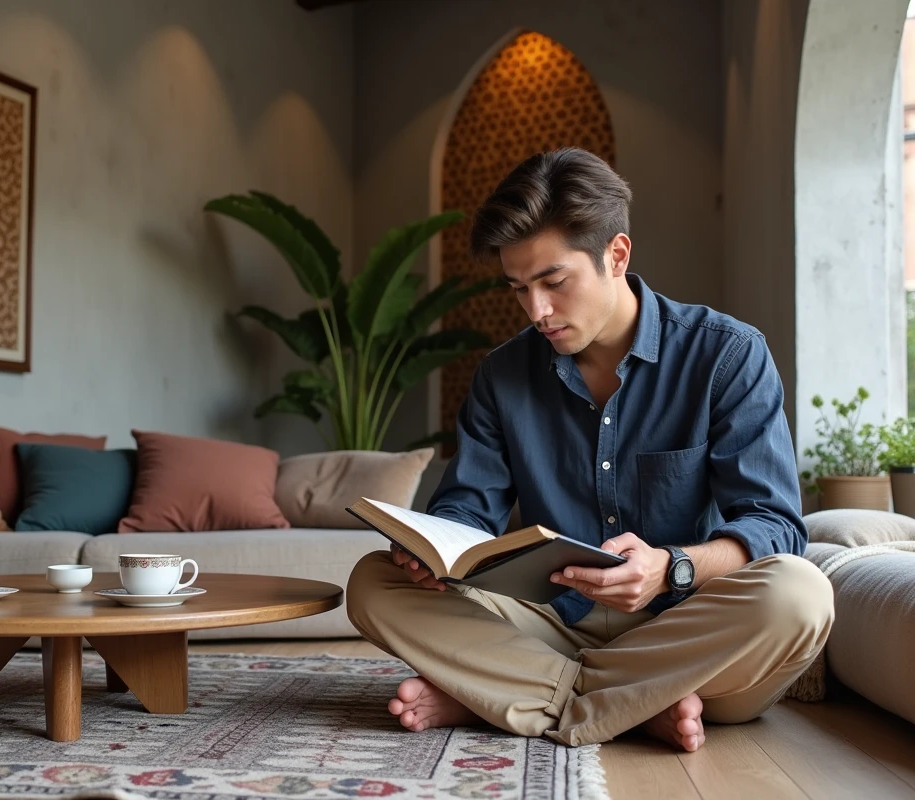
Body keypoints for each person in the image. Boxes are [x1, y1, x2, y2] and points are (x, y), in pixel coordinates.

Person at [345, 147, 834, 752]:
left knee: (799, 594)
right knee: (373, 583)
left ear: (616, 255)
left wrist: (670, 567)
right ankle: (633, 706)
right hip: (548, 624)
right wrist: (430, 551)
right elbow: (467, 512)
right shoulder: (503, 376)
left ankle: (506, 698)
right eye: (519, 288)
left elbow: (775, 527)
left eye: (554, 282)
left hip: (683, 628)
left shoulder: (727, 356)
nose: (537, 311)